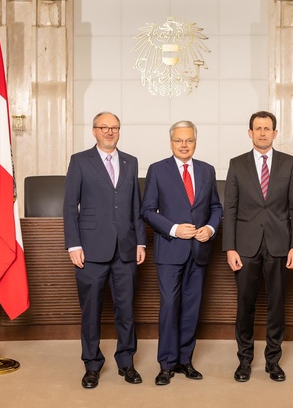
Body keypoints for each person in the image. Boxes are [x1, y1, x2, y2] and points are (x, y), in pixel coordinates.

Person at [63, 111, 147, 389]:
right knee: (91, 311)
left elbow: (136, 206)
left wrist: (140, 241)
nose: (110, 132)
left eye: (114, 128)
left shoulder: (131, 161)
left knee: (127, 310)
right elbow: (69, 207)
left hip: (125, 250)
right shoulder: (79, 161)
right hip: (90, 250)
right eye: (104, 127)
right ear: (94, 131)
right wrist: (73, 244)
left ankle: (126, 362)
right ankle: (92, 365)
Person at [222, 110, 293, 383]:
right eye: (257, 128)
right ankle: (244, 361)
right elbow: (230, 209)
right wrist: (230, 248)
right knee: (245, 305)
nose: (262, 133)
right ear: (250, 133)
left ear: (275, 133)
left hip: (280, 245)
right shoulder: (237, 164)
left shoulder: (289, 163)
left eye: (267, 128)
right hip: (245, 247)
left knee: (276, 305)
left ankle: (273, 361)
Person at [141, 121, 223, 386]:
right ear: (171, 143)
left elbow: (215, 207)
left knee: (191, 309)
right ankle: (165, 364)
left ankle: (185, 361)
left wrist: (210, 228)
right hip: (169, 252)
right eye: (179, 140)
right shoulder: (157, 170)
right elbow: (147, 211)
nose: (184, 145)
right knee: (169, 307)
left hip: (199, 252)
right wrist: (174, 229)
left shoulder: (207, 170)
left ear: (195, 142)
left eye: (188, 140)